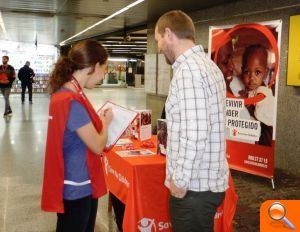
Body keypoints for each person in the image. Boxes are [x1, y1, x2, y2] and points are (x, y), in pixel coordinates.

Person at [155, 10, 229, 232]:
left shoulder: (188, 71)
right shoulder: (208, 66)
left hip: (194, 189)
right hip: (206, 183)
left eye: (158, 40)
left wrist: (180, 180)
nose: (158, 47)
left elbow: (194, 133)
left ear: (169, 34)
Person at [41, 40, 113, 232]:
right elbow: (97, 145)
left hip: (72, 182)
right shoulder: (72, 101)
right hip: (78, 187)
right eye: (104, 69)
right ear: (94, 65)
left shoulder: (65, 93)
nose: (103, 76)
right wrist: (105, 124)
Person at [239, 44, 274, 146]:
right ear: (242, 71)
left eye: (257, 72)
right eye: (247, 72)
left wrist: (245, 100)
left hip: (265, 132)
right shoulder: (252, 88)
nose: (251, 78)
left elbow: (255, 110)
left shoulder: (263, 91)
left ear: (266, 73)